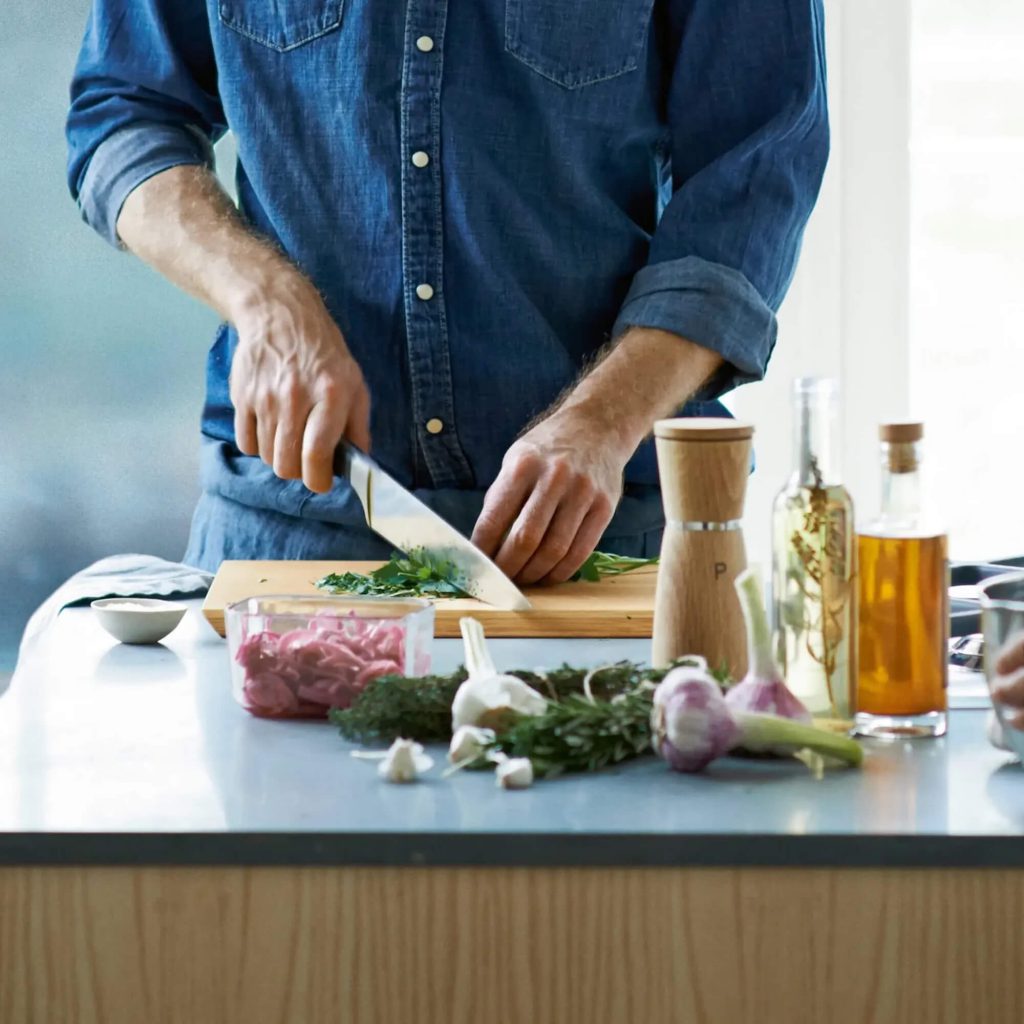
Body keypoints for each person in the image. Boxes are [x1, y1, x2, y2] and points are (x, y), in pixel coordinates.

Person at [66, 1, 828, 583]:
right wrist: (264, 298)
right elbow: (123, 115)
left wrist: (602, 419)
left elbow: (755, 176)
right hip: (287, 538)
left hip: (599, 541)